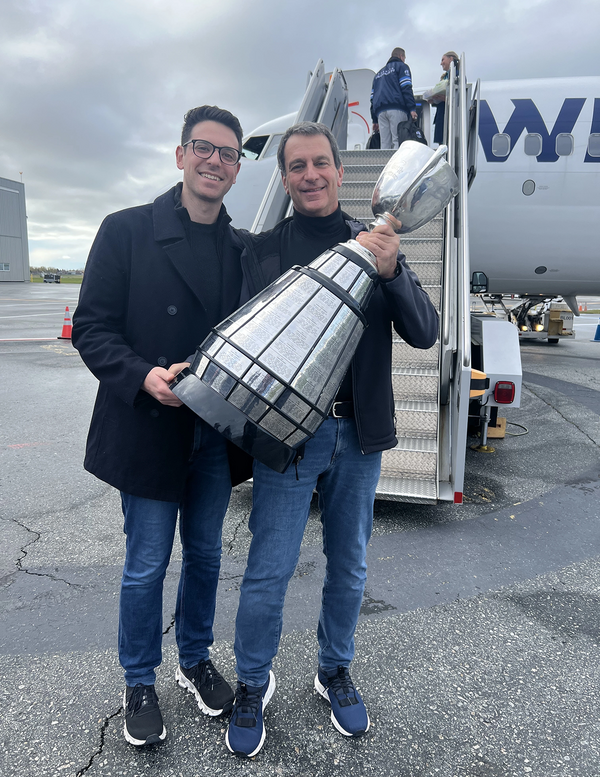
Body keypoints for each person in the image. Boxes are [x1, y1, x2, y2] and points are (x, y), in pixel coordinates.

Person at [225, 121, 439, 758]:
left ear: (342, 174)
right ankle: (252, 682)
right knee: (269, 568)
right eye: (298, 167)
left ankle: (333, 670)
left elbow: (426, 332)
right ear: (285, 177)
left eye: (322, 163)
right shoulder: (261, 252)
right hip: (289, 437)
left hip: (361, 434)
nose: (311, 175)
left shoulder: (374, 240)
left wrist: (394, 268)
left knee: (349, 566)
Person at [72, 105, 252, 747]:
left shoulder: (241, 249)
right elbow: (91, 327)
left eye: (228, 153)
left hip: (211, 433)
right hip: (149, 424)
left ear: (236, 169)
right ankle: (138, 679)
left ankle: (195, 658)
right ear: (180, 155)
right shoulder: (125, 231)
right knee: (147, 563)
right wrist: (143, 374)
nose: (215, 160)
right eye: (204, 147)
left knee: (205, 555)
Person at [370, 47, 418, 150]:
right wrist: (412, 108)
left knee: (385, 142)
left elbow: (372, 99)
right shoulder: (401, 67)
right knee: (398, 139)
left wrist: (375, 119)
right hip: (397, 108)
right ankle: (398, 165)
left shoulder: (378, 74)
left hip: (380, 112)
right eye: (404, 57)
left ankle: (385, 164)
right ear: (401, 56)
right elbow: (406, 88)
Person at [430, 51, 460, 145]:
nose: (441, 63)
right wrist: (434, 100)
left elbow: (459, 96)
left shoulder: (458, 76)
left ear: (451, 59)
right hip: (441, 115)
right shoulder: (444, 78)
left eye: (443, 59)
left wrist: (446, 98)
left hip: (450, 118)